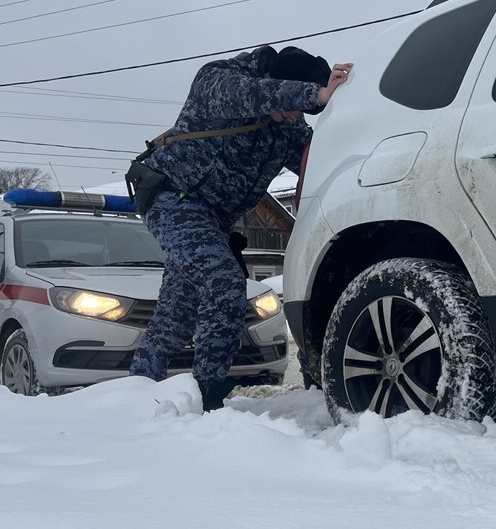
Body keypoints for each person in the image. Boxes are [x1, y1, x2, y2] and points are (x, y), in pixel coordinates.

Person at [129, 45, 352, 410]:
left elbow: (318, 160)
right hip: (174, 198)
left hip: (215, 220)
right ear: (276, 80)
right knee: (224, 281)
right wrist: (316, 93)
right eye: (296, 102)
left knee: (177, 312)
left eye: (301, 110)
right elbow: (249, 96)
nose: (294, 115)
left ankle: (137, 392)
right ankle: (207, 396)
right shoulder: (220, 80)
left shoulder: (287, 126)